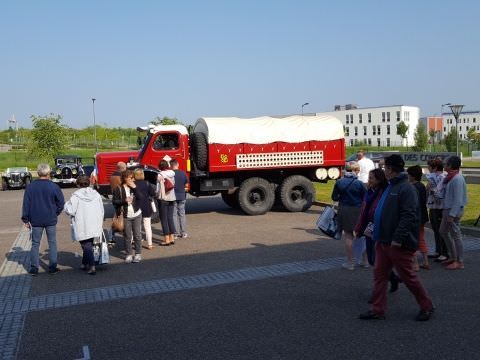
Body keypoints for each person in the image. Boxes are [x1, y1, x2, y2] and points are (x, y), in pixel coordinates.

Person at [359, 154, 434, 321]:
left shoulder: (406, 188)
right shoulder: (390, 186)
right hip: (383, 239)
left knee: (408, 277)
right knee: (379, 275)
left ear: (391, 169)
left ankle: (426, 306)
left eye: (385, 167)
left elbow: (409, 215)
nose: (383, 169)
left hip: (397, 243)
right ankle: (377, 309)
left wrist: (398, 238)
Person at [354, 168, 401, 292]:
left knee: (377, 261)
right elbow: (364, 212)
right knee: (372, 259)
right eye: (369, 177)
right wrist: (359, 228)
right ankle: (393, 278)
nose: (368, 180)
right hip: (369, 228)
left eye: (371, 178)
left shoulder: (385, 192)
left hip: (380, 230)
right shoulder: (370, 191)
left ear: (379, 180)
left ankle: (379, 292)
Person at [21, 163, 65, 276]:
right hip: (50, 218)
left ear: (38, 173)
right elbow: (61, 203)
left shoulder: (30, 187)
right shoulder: (54, 186)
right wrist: (55, 213)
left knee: (35, 243)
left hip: (35, 219)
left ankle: (34, 268)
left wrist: (25, 219)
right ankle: (52, 267)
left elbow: (26, 204)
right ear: (49, 173)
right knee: (52, 243)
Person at [64, 175, 104, 275]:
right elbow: (101, 209)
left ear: (78, 184)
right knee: (89, 243)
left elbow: (71, 210)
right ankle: (84, 263)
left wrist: (66, 205)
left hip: (82, 223)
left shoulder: (76, 196)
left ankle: (92, 266)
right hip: (95, 222)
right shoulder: (96, 194)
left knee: (86, 245)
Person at [331, 163, 366, 270]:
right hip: (358, 210)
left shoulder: (339, 182)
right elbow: (365, 197)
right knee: (362, 235)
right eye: (358, 170)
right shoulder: (359, 183)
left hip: (344, 209)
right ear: (355, 170)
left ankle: (350, 263)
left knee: (348, 236)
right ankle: (365, 261)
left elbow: (334, 197)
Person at [439, 155, 467, 270]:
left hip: (452, 211)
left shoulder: (457, 179)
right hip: (448, 209)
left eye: (445, 164)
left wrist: (452, 214)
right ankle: (453, 257)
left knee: (456, 235)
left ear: (450, 166)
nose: (444, 165)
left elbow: (458, 199)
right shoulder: (451, 177)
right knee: (443, 232)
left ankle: (459, 262)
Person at [112, 170, 144, 263]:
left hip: (137, 214)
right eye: (130, 178)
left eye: (132, 178)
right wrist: (124, 201)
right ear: (125, 178)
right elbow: (114, 202)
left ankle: (138, 254)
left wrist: (135, 187)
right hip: (126, 215)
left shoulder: (134, 186)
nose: (132, 179)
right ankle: (129, 254)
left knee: (137, 235)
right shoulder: (118, 189)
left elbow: (141, 197)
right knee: (127, 236)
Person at [407, 165, 430, 271]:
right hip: (423, 215)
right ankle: (425, 261)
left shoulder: (412, 187)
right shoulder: (421, 185)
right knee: (421, 238)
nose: (407, 176)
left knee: (412, 239)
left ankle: (415, 263)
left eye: (408, 174)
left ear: (412, 176)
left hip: (414, 216)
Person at [426, 158, 448, 262]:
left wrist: (430, 189)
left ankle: (444, 252)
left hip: (438, 207)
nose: (428, 169)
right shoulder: (442, 176)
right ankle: (438, 250)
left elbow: (431, 189)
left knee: (440, 230)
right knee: (436, 230)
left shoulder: (439, 177)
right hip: (437, 206)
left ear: (434, 168)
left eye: (429, 167)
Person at [134, 168, 156, 250]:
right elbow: (153, 193)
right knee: (147, 226)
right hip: (146, 206)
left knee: (137, 227)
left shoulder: (133, 184)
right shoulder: (147, 183)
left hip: (136, 207)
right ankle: (150, 244)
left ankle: (137, 243)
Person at [157, 160, 176, 246]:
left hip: (163, 198)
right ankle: (172, 238)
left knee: (163, 219)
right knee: (170, 218)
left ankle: (167, 239)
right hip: (172, 197)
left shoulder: (159, 175)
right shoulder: (172, 173)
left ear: (160, 167)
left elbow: (157, 189)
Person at [108, 161, 127, 244]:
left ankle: (111, 237)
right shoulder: (122, 176)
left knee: (116, 217)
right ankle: (129, 237)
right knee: (125, 218)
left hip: (115, 199)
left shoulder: (112, 176)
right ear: (123, 168)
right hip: (122, 199)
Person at [171, 159, 189, 238]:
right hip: (182, 195)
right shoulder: (182, 173)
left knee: (174, 215)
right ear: (177, 164)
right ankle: (183, 233)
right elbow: (186, 183)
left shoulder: (170, 174)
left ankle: (175, 233)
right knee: (182, 214)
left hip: (173, 196)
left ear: (171, 166)